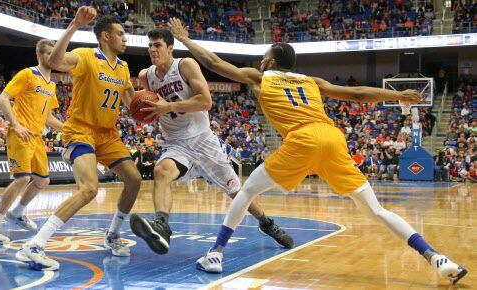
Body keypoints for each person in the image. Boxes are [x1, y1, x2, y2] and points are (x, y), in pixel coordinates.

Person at [167, 18, 467, 284]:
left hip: (303, 139)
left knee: (245, 192)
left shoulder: (262, 77)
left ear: (271, 62)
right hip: (332, 138)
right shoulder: (312, 81)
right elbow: (357, 94)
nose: (260, 61)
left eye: (263, 57)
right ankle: (436, 258)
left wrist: (184, 39)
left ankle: (216, 254)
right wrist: (397, 94)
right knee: (376, 210)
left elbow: (215, 64)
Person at [129, 28, 293, 255]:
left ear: (169, 48)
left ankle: (267, 223)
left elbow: (205, 101)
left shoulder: (185, 65)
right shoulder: (145, 77)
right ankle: (162, 226)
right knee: (161, 171)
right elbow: (146, 106)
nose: (152, 50)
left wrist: (169, 107)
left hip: (203, 140)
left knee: (237, 191)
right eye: (150, 46)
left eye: (157, 45)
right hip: (177, 143)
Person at [16, 7, 142, 271]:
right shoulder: (86, 56)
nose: (125, 38)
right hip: (81, 129)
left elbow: (134, 104)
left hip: (108, 134)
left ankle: (112, 235)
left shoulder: (123, 67)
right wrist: (74, 25)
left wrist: (156, 108)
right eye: (120, 34)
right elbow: (55, 62)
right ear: (105, 36)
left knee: (134, 179)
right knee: (89, 189)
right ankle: (34, 246)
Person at [0, 39, 63, 244]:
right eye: (49, 53)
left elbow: (48, 118)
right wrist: (16, 125)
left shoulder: (51, 85)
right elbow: (2, 98)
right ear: (40, 55)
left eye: (55, 54)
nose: (53, 57)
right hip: (21, 133)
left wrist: (71, 129)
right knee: (22, 179)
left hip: (37, 137)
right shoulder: (28, 74)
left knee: (43, 180)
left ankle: (17, 212)